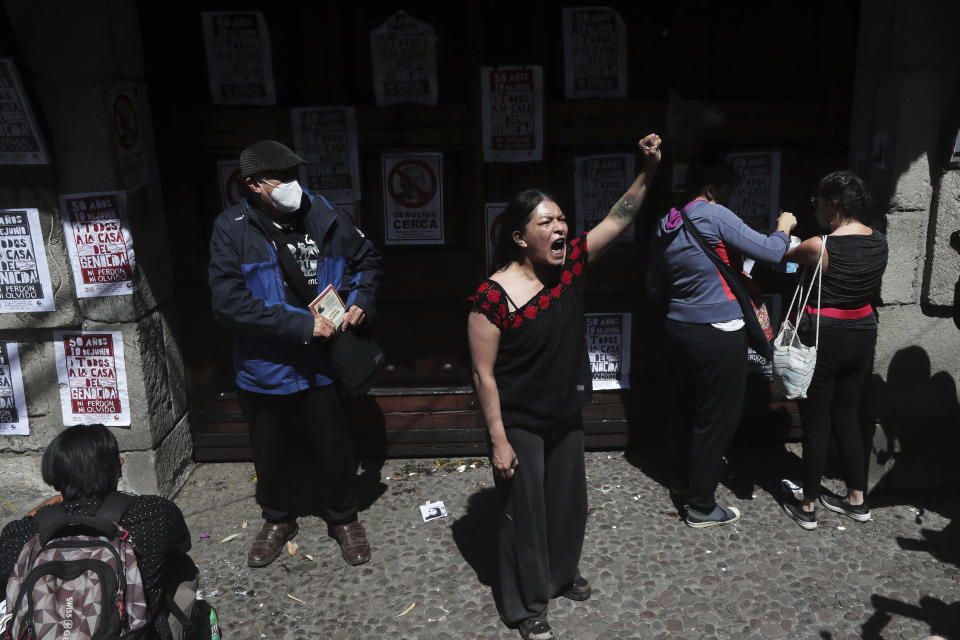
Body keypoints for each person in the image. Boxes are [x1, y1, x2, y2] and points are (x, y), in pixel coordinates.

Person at [468, 133, 662, 640]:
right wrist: (498, 439)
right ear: (518, 237)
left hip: (565, 414)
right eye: (545, 222)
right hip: (520, 423)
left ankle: (558, 576)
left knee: (568, 506)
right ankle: (526, 605)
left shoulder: (570, 265)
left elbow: (619, 217)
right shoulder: (490, 298)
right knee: (523, 519)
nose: (560, 228)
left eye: (561, 219)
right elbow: (483, 374)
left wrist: (648, 170)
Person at [208, 140, 382, 567]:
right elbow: (228, 302)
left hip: (323, 365)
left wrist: (361, 299)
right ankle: (278, 518)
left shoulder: (324, 213)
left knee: (335, 446)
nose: (292, 186)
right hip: (264, 366)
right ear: (253, 185)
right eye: (280, 178)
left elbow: (368, 260)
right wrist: (302, 325)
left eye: (294, 176)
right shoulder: (232, 228)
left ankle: (343, 518)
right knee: (270, 451)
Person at [646, 156, 797, 527]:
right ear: (712, 189)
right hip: (718, 331)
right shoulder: (713, 213)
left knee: (686, 411)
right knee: (717, 419)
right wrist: (784, 225)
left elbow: (653, 286)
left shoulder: (666, 222)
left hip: (678, 327)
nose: (729, 199)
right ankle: (700, 506)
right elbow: (773, 250)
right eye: (727, 190)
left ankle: (682, 483)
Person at [0, 424, 191, 640]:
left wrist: (36, 514)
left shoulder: (22, 533)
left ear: (53, 476)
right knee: (183, 566)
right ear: (118, 468)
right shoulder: (154, 513)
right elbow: (183, 543)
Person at [780, 171, 888, 530]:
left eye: (819, 203)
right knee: (848, 416)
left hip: (825, 335)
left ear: (832, 205)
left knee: (816, 423)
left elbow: (786, 259)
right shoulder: (880, 241)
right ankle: (856, 499)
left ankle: (808, 505)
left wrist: (784, 228)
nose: (818, 209)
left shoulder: (819, 245)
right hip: (862, 332)